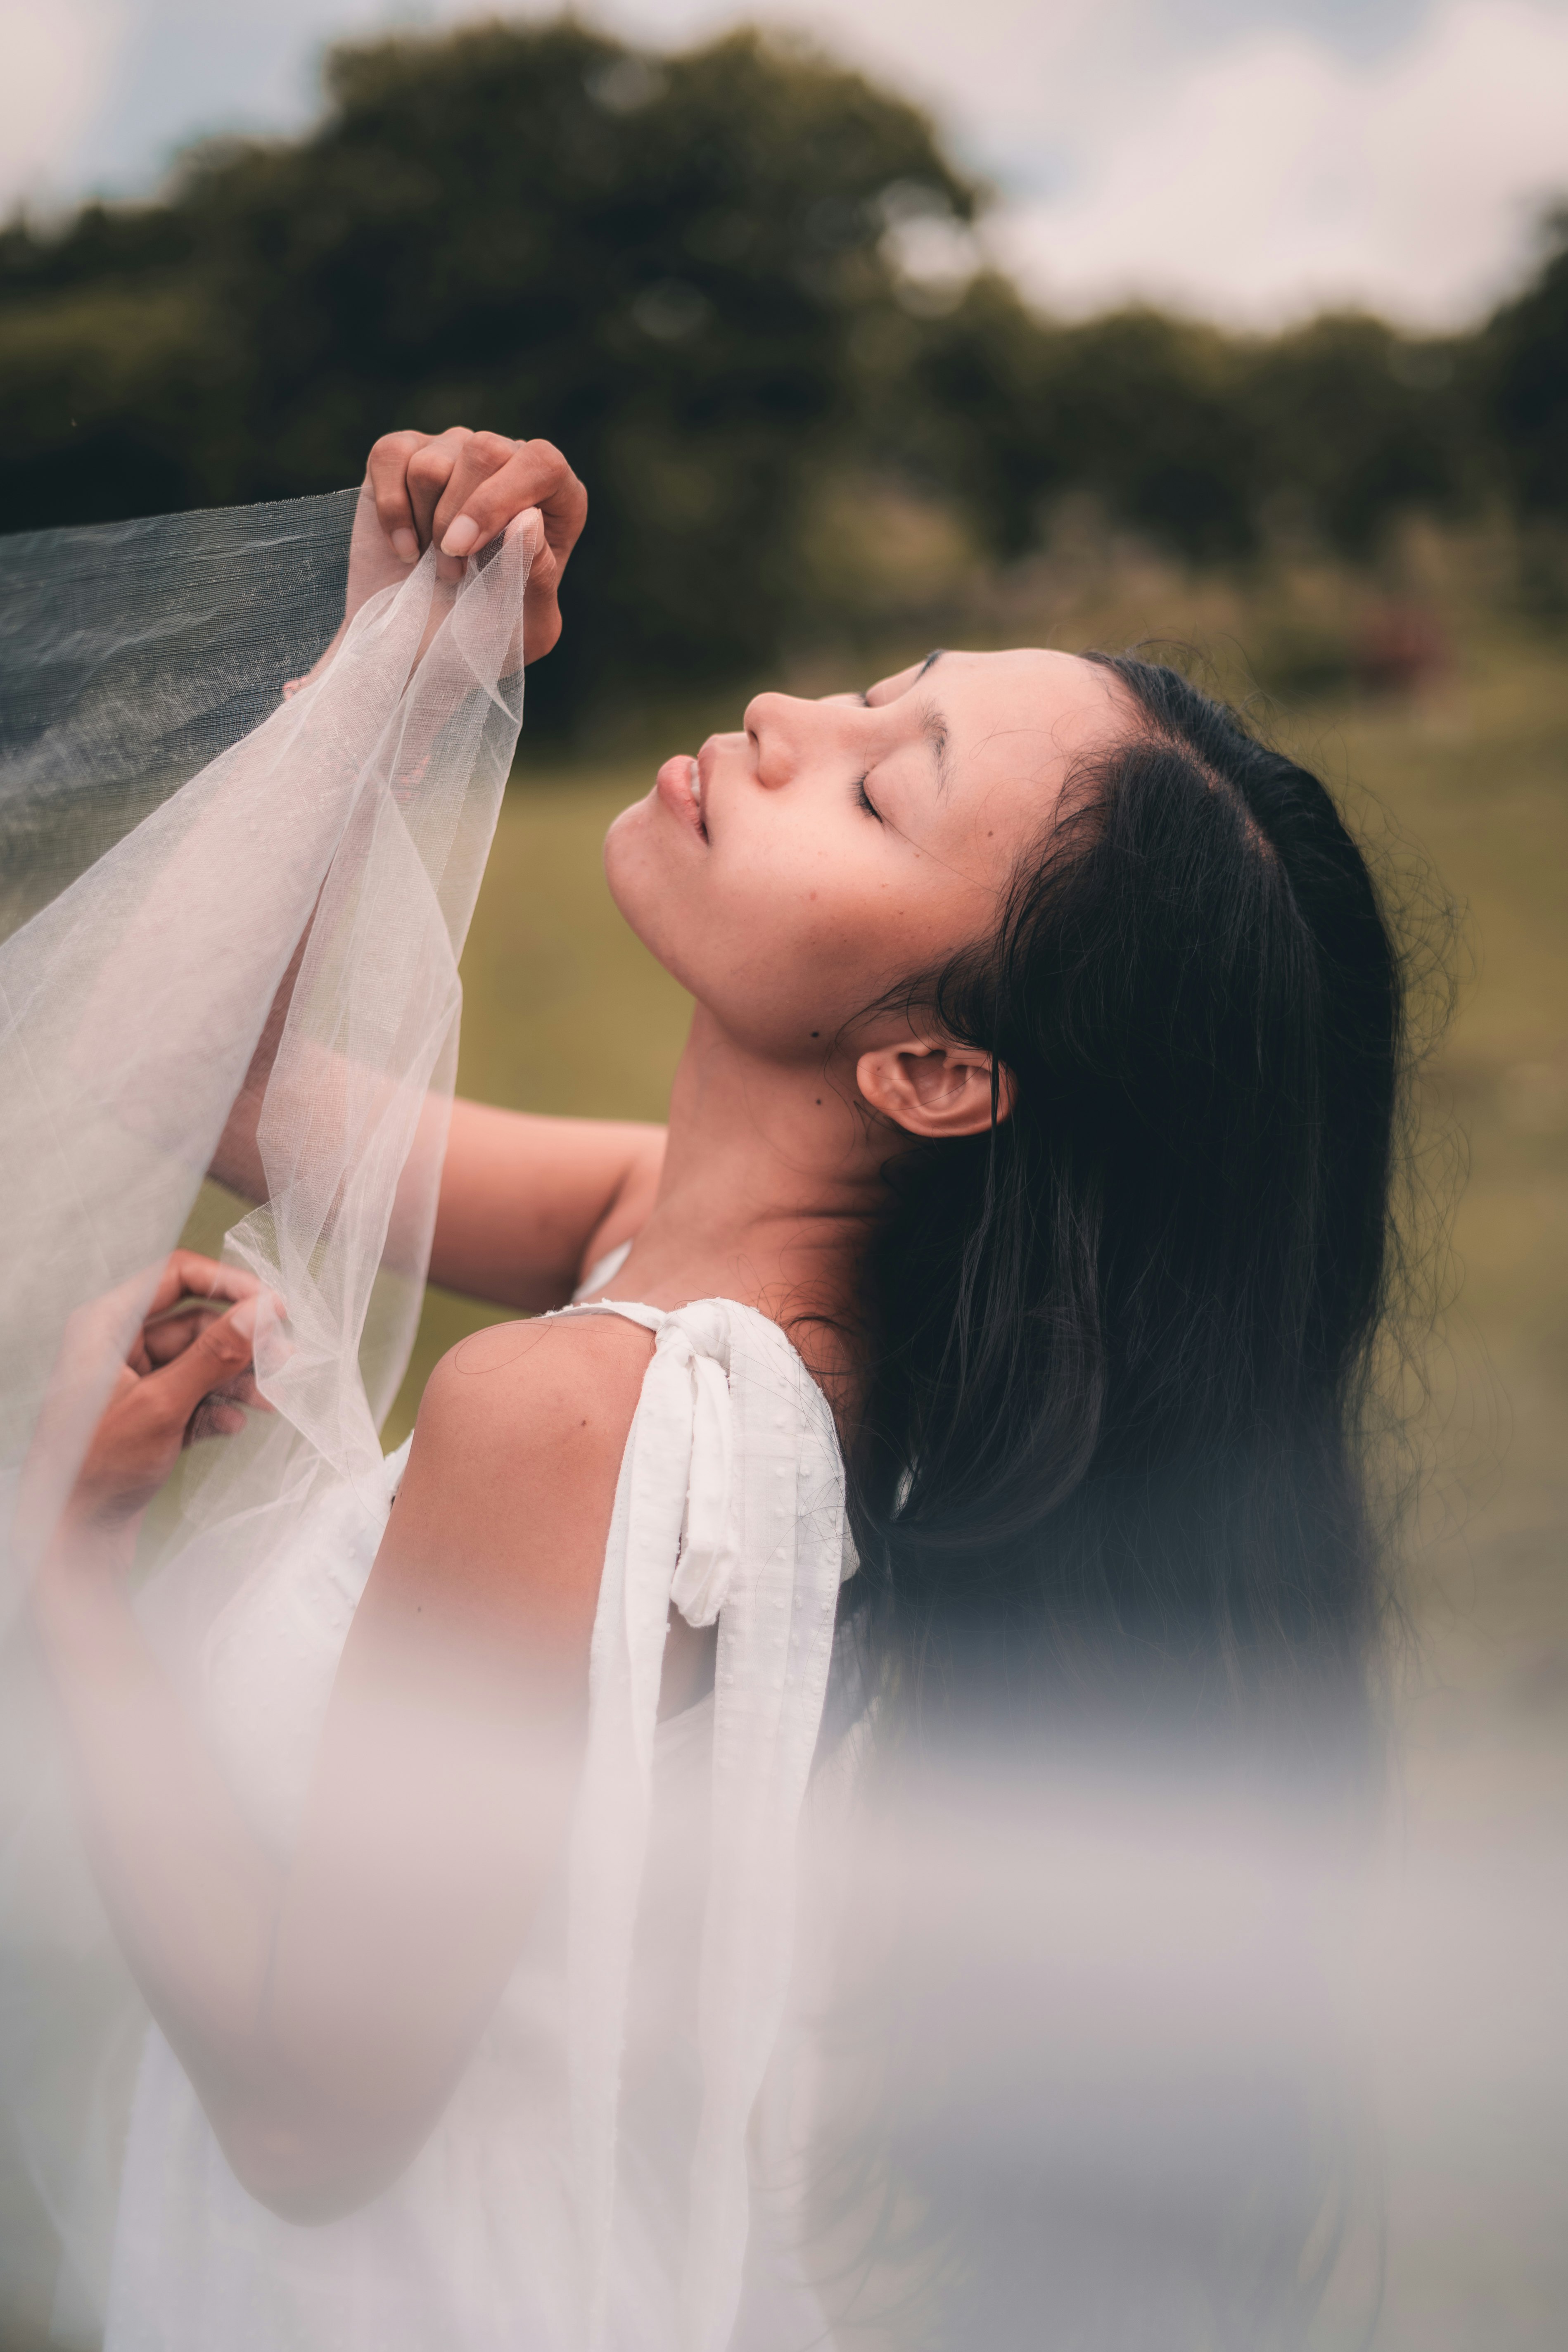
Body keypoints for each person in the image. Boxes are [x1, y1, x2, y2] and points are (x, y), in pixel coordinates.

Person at [23, 425, 1407, 2350]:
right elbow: (222, 1079)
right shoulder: (683, 1257)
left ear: (934, 1069)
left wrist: (65, 1557)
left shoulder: (576, 1417)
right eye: (869, 695)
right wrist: (389, 684)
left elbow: (305, 2111)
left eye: (874, 795)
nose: (780, 718)